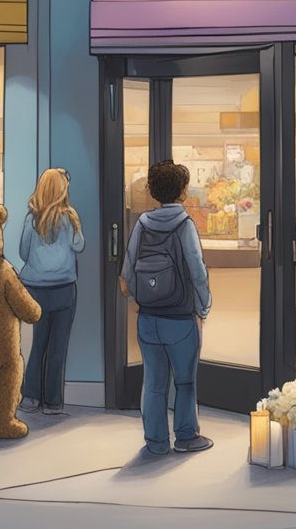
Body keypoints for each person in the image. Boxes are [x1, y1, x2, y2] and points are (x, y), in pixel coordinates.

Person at [118, 160, 213, 456]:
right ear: (184, 191)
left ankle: (156, 441)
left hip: (148, 318)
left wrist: (143, 296)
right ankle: (185, 436)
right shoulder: (185, 225)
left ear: (151, 190)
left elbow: (127, 273)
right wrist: (203, 306)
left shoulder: (142, 224)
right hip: (180, 317)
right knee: (184, 381)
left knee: (154, 381)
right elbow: (197, 270)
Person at [17, 168, 85, 416]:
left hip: (35, 288)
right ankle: (53, 402)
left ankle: (31, 398)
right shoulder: (70, 216)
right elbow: (79, 245)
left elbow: (23, 253)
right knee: (58, 347)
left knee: (38, 344)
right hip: (64, 288)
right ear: (62, 189)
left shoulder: (31, 218)